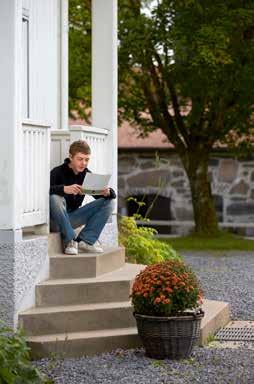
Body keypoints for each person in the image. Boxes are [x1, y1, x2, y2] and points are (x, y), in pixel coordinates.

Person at [50, 140, 116, 255]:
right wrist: (64, 189)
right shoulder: (57, 172)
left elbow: (102, 196)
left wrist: (108, 192)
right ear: (71, 157)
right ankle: (70, 240)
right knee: (55, 198)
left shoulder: (86, 174)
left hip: (73, 218)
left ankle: (85, 241)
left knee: (110, 202)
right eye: (80, 159)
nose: (84, 163)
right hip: (56, 221)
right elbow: (46, 191)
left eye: (87, 160)